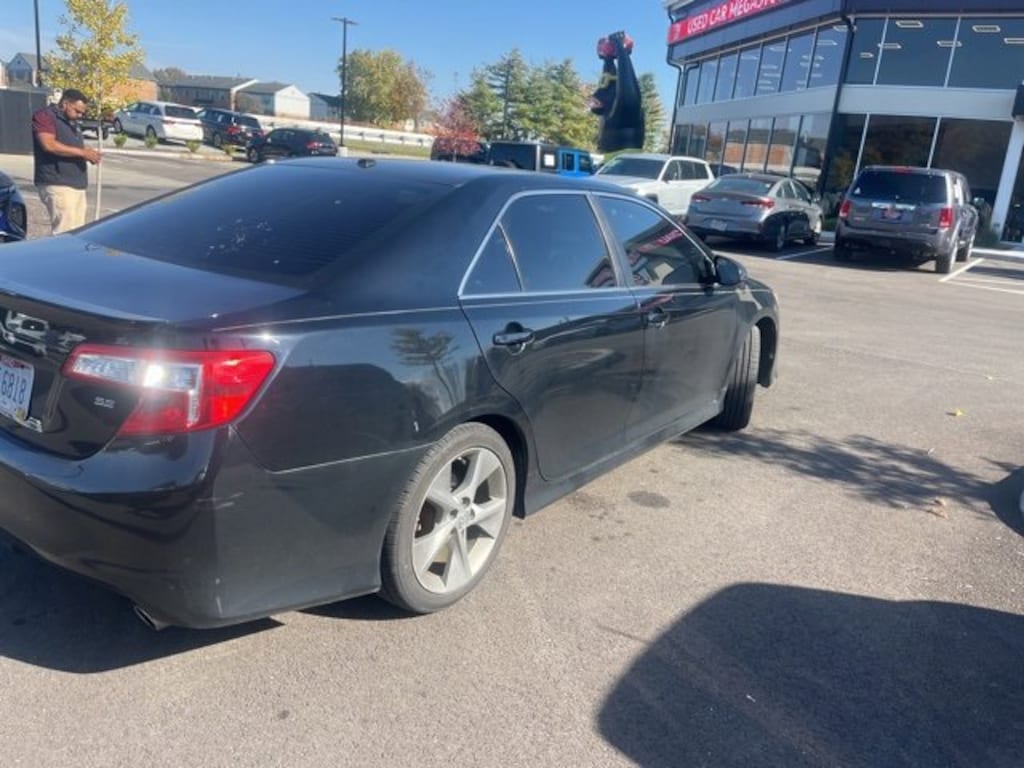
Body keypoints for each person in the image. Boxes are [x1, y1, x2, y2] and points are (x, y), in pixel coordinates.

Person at [31, 88, 102, 234]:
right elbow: (48, 145)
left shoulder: (71, 122)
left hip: (76, 184)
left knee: (77, 233)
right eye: (77, 111)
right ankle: (56, 257)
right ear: (65, 103)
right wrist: (82, 153)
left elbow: (70, 146)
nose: (80, 115)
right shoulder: (45, 116)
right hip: (57, 183)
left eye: (82, 112)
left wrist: (88, 153)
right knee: (64, 232)